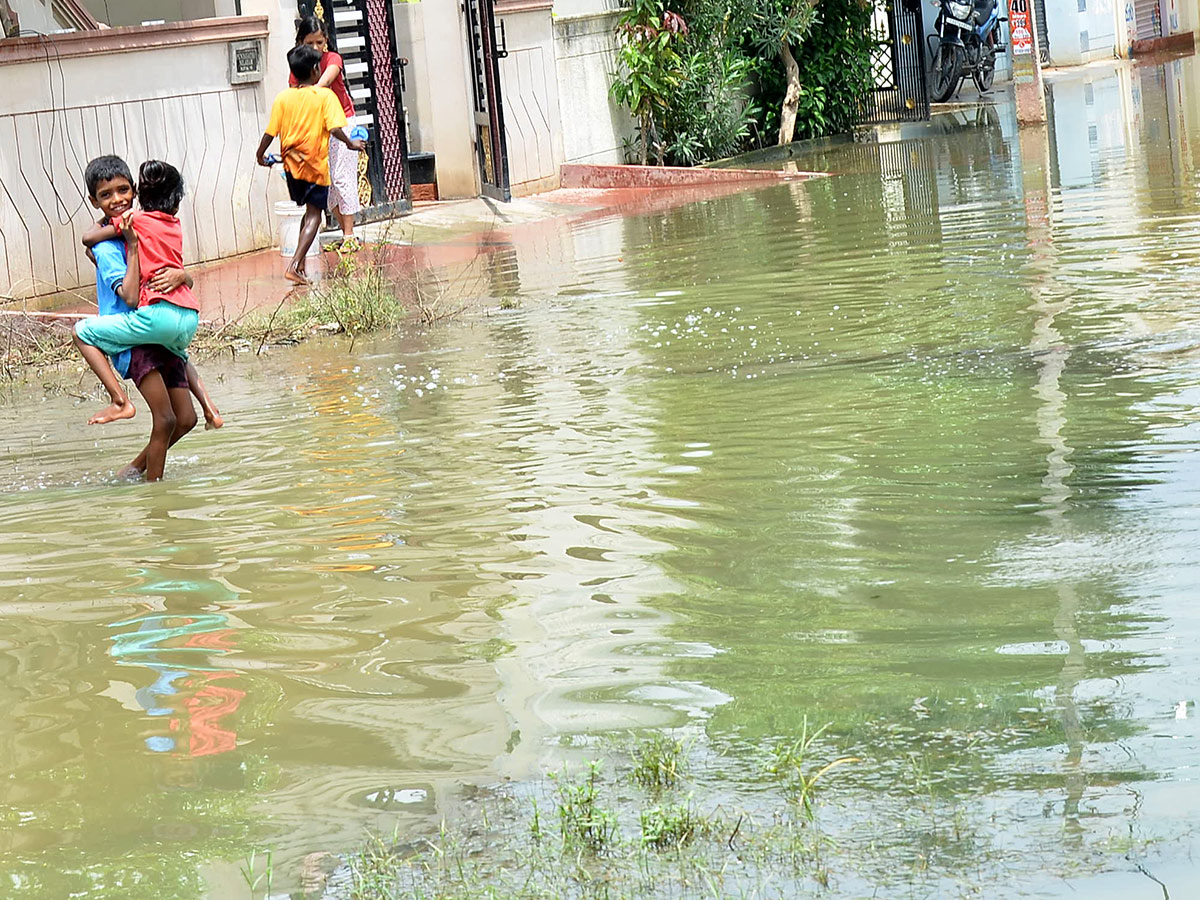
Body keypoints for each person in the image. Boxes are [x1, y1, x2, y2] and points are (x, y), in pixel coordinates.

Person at [73, 159, 214, 481]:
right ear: (95, 201)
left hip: (152, 328)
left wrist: (184, 276)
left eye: (123, 190)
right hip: (133, 337)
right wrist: (130, 246)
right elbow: (131, 297)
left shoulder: (145, 228)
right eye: (106, 194)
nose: (118, 199)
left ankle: (136, 469)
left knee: (186, 419)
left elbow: (172, 274)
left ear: (135, 192)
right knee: (165, 420)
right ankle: (153, 488)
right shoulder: (111, 246)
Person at [257, 44, 365, 285]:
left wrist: (260, 154)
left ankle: (302, 265)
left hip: (291, 165)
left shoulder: (283, 98)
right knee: (315, 215)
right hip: (314, 165)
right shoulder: (325, 96)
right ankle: (294, 265)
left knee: (307, 213)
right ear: (316, 69)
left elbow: (270, 132)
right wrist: (351, 144)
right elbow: (336, 128)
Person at [292, 15, 362, 251]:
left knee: (342, 178)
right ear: (301, 42)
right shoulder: (298, 68)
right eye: (309, 43)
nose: (315, 48)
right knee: (329, 183)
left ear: (326, 41)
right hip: (318, 129)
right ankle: (347, 235)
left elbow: (323, 83)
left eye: (319, 43)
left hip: (343, 124)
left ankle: (350, 235)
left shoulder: (333, 59)